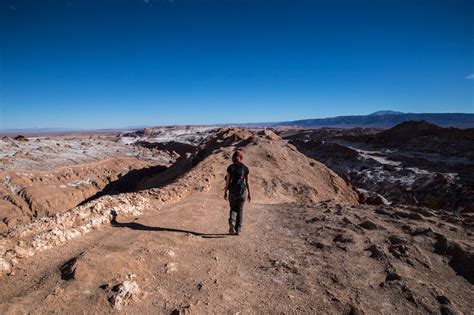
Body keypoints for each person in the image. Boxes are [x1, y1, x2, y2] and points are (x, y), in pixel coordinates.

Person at [224, 149, 251, 235]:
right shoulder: (245, 168)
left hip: (232, 192)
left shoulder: (230, 167)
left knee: (233, 208)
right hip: (242, 192)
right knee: (240, 210)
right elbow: (247, 182)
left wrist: (225, 192)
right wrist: (249, 193)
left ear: (234, 158)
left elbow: (228, 181)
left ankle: (232, 222)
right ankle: (238, 230)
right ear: (241, 158)